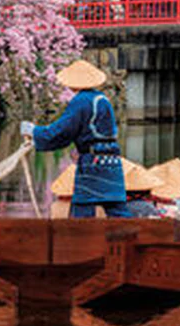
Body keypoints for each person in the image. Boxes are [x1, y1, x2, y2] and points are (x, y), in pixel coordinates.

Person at [20, 60, 132, 218]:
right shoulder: (102, 99)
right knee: (117, 208)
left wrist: (34, 131)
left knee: (82, 210)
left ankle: (79, 234)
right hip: (112, 161)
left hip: (93, 163)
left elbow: (62, 131)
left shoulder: (81, 101)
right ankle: (133, 232)